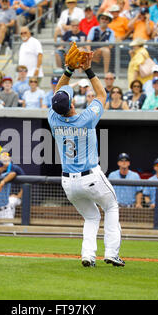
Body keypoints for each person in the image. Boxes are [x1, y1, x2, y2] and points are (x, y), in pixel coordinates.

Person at [48, 48, 125, 267]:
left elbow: (58, 94)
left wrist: (69, 69)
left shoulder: (53, 118)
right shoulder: (85, 119)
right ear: (72, 104)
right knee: (111, 207)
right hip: (91, 176)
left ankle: (87, 255)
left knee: (91, 217)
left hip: (68, 182)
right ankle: (111, 252)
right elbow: (102, 95)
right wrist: (88, 69)